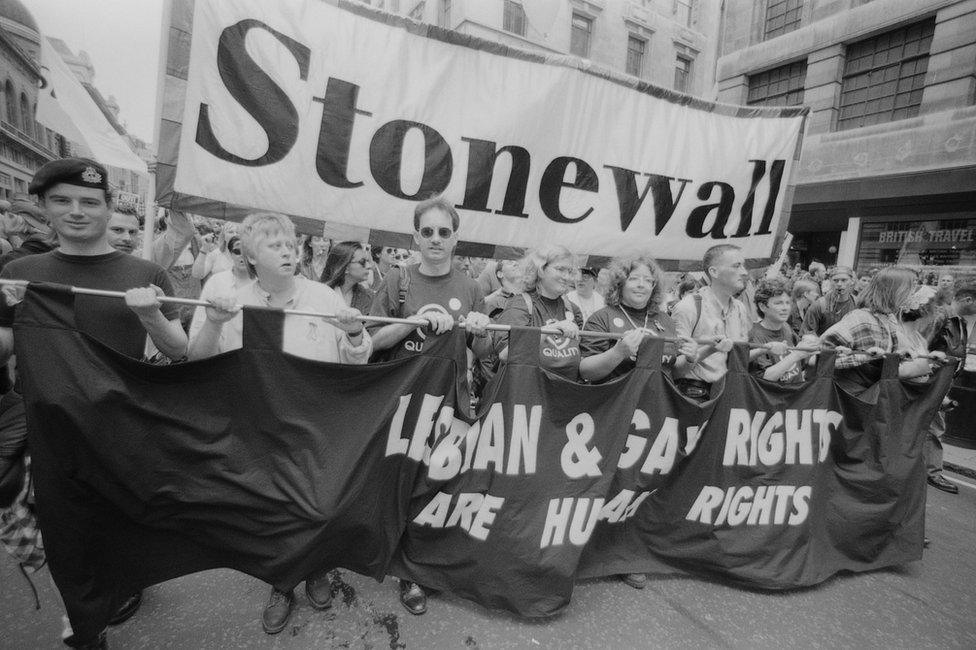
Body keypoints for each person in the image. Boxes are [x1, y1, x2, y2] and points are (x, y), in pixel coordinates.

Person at [0, 157, 187, 650]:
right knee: (67, 533)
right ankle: (85, 624)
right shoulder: (20, 272)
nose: (76, 211)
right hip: (51, 432)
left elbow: (179, 349)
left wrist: (149, 316)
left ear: (108, 208)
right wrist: (16, 313)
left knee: (124, 524)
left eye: (89, 202)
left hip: (122, 427)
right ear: (44, 207)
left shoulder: (146, 272)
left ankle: (119, 583)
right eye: (62, 201)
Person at [188, 212, 369, 635]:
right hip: (258, 427)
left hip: (317, 424)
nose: (287, 251)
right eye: (274, 245)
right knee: (271, 510)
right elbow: (197, 361)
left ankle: (317, 568)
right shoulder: (230, 300)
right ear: (250, 255)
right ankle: (282, 581)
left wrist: (357, 336)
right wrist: (215, 321)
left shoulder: (324, 298)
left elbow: (354, 362)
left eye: (290, 244)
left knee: (321, 502)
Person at [367, 196, 489, 617]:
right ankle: (385, 554)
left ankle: (413, 569)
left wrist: (480, 328)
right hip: (398, 399)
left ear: (456, 238)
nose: (435, 239)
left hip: (448, 404)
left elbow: (486, 350)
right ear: (415, 236)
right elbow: (371, 341)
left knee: (429, 486)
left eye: (444, 232)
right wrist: (414, 321)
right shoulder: (398, 280)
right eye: (427, 231)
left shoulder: (472, 287)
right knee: (394, 483)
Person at [820, 266, 933, 390]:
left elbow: (882, 356)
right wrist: (865, 356)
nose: (913, 294)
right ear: (893, 291)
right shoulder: (860, 318)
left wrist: (898, 356)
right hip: (847, 400)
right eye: (909, 289)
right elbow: (819, 358)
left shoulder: (889, 318)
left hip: (868, 397)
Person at [670, 244, 751, 401]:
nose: (744, 272)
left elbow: (741, 355)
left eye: (743, 265)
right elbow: (673, 370)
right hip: (694, 396)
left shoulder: (740, 308)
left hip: (729, 393)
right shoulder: (689, 307)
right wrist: (710, 349)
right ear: (714, 272)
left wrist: (767, 349)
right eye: (737, 266)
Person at [493, 245, 584, 381]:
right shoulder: (521, 304)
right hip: (527, 397)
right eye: (560, 269)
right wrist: (550, 330)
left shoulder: (572, 309)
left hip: (564, 395)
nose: (566, 277)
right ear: (540, 270)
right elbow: (505, 354)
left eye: (570, 271)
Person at [922, 281, 976, 494]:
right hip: (931, 381)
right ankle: (932, 472)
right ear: (968, 300)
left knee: (933, 427)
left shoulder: (958, 321)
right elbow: (921, 347)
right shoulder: (941, 318)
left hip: (941, 382)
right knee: (935, 427)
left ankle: (927, 470)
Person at [748, 277, 817, 383]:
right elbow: (765, 378)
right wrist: (796, 355)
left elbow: (806, 359)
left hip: (795, 395)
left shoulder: (786, 327)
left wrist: (830, 351)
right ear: (762, 306)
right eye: (778, 303)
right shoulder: (755, 335)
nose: (785, 308)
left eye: (788, 303)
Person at [802, 266, 857, 336]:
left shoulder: (857, 304)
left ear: (852, 281)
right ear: (830, 281)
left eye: (844, 280)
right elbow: (806, 334)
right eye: (835, 280)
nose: (839, 284)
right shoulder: (819, 305)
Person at [322, 240, 374, 313]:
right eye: (362, 262)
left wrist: (357, 322)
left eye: (368, 261)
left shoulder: (368, 297)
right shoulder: (321, 293)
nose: (369, 266)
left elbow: (365, 323)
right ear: (345, 267)